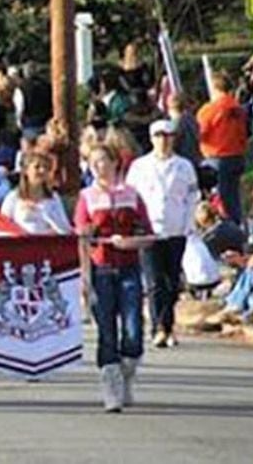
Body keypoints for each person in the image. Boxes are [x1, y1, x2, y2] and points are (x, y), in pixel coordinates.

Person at [74, 143, 153, 412]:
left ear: (114, 163)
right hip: (101, 269)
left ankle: (127, 371)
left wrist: (129, 242)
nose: (98, 167)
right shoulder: (86, 197)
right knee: (106, 330)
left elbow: (148, 235)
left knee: (133, 331)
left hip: (129, 267)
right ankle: (111, 386)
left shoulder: (132, 195)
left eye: (103, 161)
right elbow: (82, 240)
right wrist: (84, 277)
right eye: (93, 163)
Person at [125, 120, 199, 348]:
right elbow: (131, 197)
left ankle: (168, 324)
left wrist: (188, 224)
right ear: (151, 138)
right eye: (159, 135)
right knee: (155, 281)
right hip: (149, 231)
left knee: (172, 280)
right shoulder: (140, 166)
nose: (164, 140)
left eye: (168, 135)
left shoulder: (184, 166)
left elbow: (192, 198)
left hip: (176, 229)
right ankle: (159, 326)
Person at [197, 72, 247, 224]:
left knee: (219, 201)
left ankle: (223, 231)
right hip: (237, 156)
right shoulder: (237, 108)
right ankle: (237, 228)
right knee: (233, 198)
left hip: (217, 158)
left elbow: (199, 133)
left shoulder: (210, 109)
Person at [0, 152, 71, 234]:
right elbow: (2, 227)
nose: (42, 170)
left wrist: (43, 212)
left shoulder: (53, 198)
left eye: (46, 167)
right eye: (37, 167)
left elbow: (66, 230)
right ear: (26, 170)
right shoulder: (13, 198)